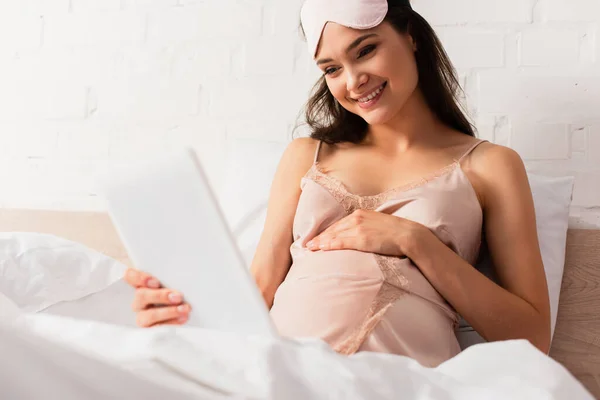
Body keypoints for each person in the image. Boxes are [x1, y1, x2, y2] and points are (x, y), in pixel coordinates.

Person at [124, 0, 551, 367]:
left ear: (411, 36)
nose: (352, 81)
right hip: (283, 370)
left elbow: (533, 338)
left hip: (404, 376)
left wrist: (414, 241)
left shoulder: (491, 165)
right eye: (331, 69)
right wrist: (181, 314)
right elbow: (261, 287)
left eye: (365, 50)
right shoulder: (306, 156)